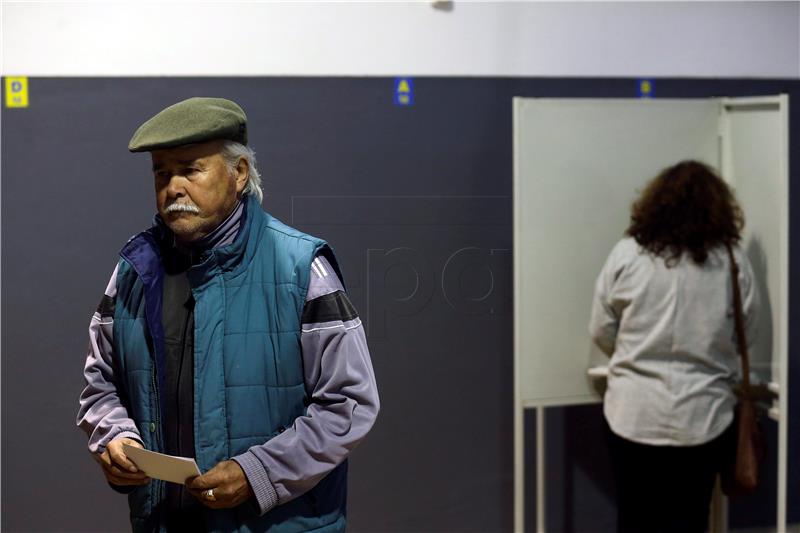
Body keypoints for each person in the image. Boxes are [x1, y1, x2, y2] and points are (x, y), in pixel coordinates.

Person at [77, 97, 379, 532]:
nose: (173, 187)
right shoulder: (133, 272)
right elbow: (100, 383)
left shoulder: (301, 267)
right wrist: (116, 439)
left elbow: (348, 403)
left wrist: (259, 474)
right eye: (162, 173)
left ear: (238, 174)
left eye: (190, 169)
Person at [589, 160, 759, 533]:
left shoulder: (627, 254)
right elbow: (744, 330)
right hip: (704, 416)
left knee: (635, 517)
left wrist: (632, 356)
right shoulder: (732, 261)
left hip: (632, 413)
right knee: (691, 518)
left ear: (655, 203)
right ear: (718, 208)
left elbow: (601, 328)